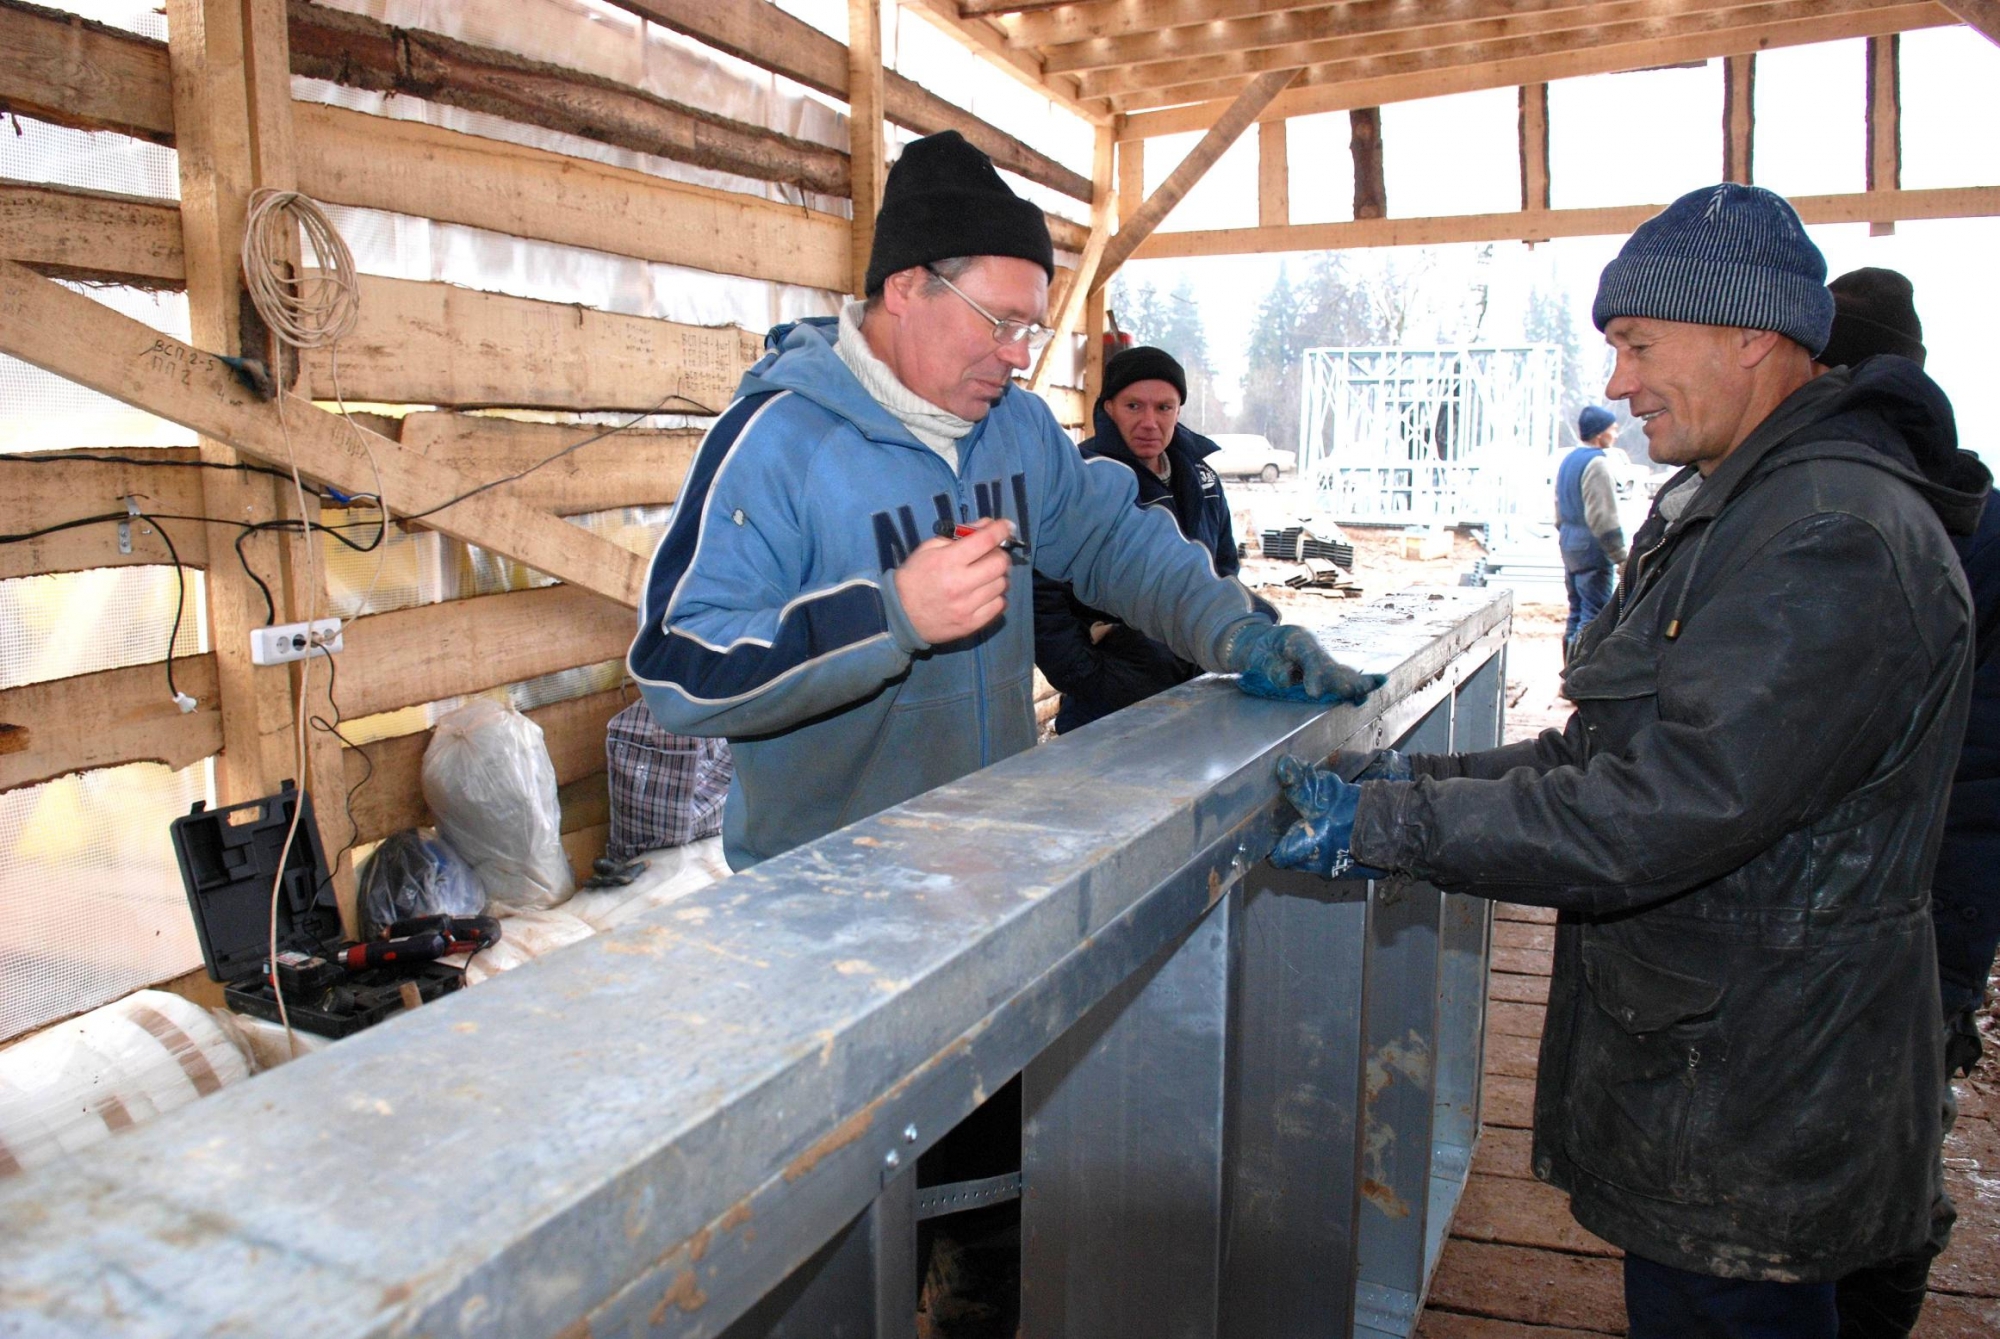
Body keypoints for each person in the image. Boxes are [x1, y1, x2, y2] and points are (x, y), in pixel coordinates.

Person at [1267, 184, 1990, 1339]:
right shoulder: (1745, 504)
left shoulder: (1826, 534)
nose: (1615, 383)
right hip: (1723, 1056)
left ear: (1748, 333)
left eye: (1635, 343)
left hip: (1758, 1080)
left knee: (1725, 1316)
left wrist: (1389, 831)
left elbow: (1666, 808)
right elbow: (1602, 747)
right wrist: (1417, 785)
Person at [627, 130, 1379, 870]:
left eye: (1031, 328)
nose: (1021, 354)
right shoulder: (777, 443)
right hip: (826, 883)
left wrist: (1237, 631)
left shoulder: (1015, 427)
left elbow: (1113, 539)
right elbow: (677, 667)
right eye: (1001, 322)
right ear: (906, 288)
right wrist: (888, 616)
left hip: (991, 854)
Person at [1810, 267, 1999, 1339]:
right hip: (1918, 905)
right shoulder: (1962, 516)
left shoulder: (1890, 525)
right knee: (1884, 1161)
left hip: (1908, 905)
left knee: (1879, 1180)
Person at [1032, 345, 1271, 734]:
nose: (1149, 422)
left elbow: (1223, 567)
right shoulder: (1082, 480)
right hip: (1107, 708)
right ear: (1108, 407)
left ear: (1178, 410)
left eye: (1164, 407)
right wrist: (1093, 677)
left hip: (1196, 687)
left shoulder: (1202, 479)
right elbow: (1043, 596)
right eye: (1134, 406)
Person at [1555, 404, 1629, 656]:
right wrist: (1620, 556)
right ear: (1599, 433)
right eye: (1613, 429)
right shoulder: (1598, 464)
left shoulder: (1569, 460)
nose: (1615, 434)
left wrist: (1568, 536)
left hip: (1569, 544)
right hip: (1591, 548)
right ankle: (1578, 676)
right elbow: (1602, 517)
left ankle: (1568, 670)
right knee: (1593, 615)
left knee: (1576, 611)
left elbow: (1557, 508)